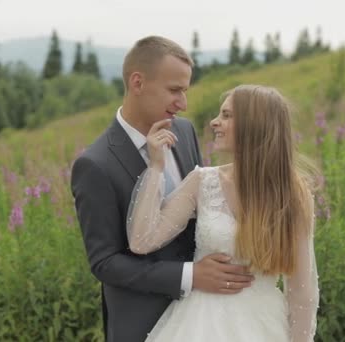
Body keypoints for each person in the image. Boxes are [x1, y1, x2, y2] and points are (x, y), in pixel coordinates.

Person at [71, 36, 254, 342]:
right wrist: (190, 275)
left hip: (210, 317)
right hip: (142, 322)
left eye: (185, 91)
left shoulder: (183, 130)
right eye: (175, 90)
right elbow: (105, 262)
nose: (183, 103)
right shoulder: (95, 164)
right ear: (138, 82)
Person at [127, 84, 319, 341]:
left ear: (254, 124)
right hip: (198, 325)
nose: (214, 122)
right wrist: (156, 167)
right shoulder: (202, 182)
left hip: (263, 326)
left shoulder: (293, 194)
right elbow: (142, 241)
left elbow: (302, 292)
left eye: (227, 115)